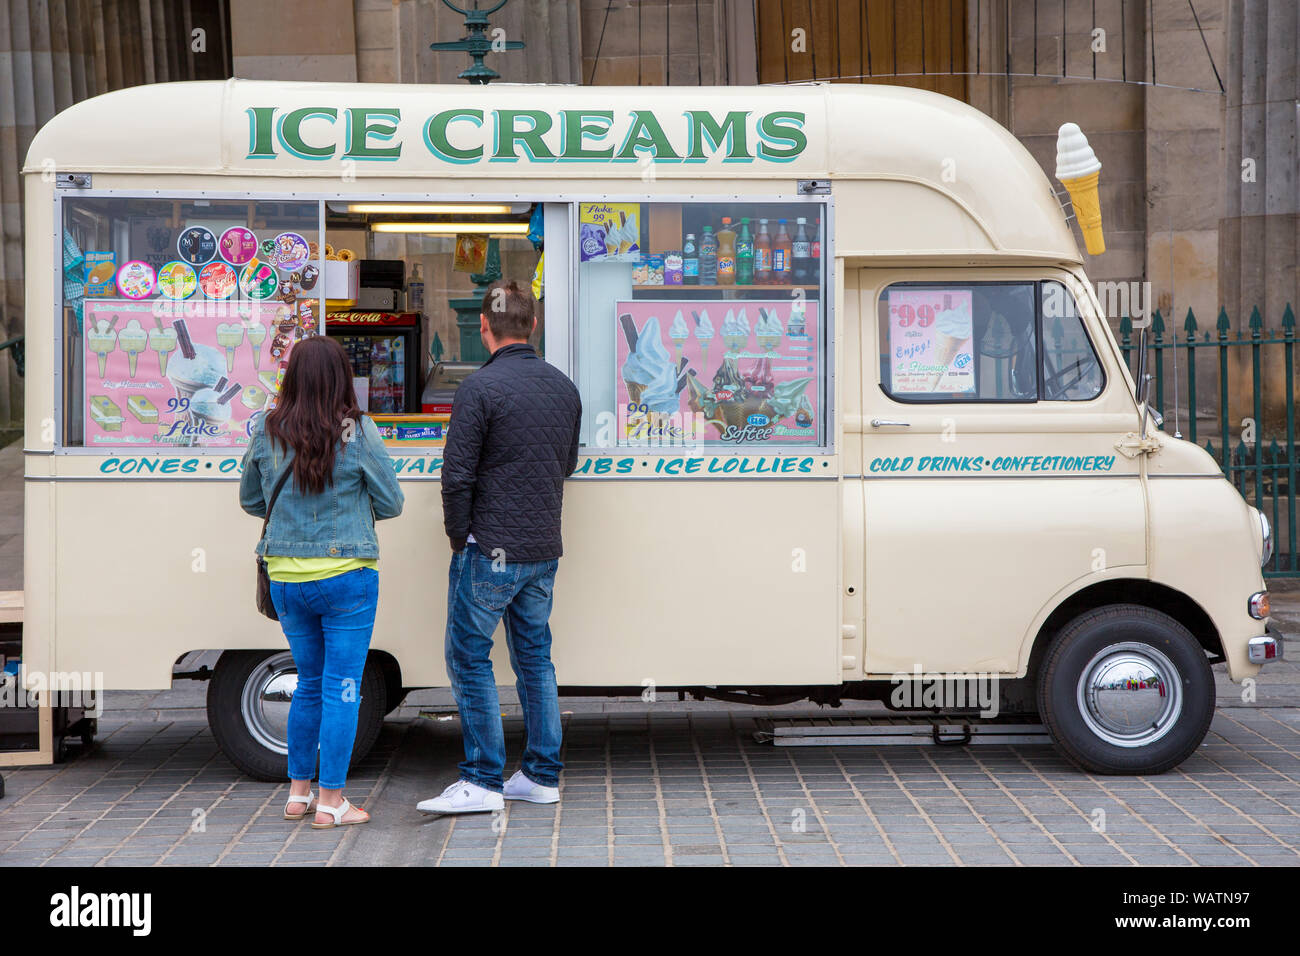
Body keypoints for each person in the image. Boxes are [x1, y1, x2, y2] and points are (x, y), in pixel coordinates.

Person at [418, 279, 581, 815]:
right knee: (534, 658)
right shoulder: (563, 387)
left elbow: (456, 476)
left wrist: (457, 537)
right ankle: (540, 774)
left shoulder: (478, 390)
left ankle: (483, 781)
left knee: (468, 657)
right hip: (543, 547)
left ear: (483, 329)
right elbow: (567, 467)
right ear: (532, 325)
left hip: (489, 547)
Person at [240, 335, 404, 829]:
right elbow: (392, 503)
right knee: (343, 687)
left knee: (309, 683)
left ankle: (297, 794)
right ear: (342, 379)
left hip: (286, 579)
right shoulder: (358, 431)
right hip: (346, 577)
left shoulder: (267, 430)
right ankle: (332, 801)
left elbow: (251, 502)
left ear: (291, 377)